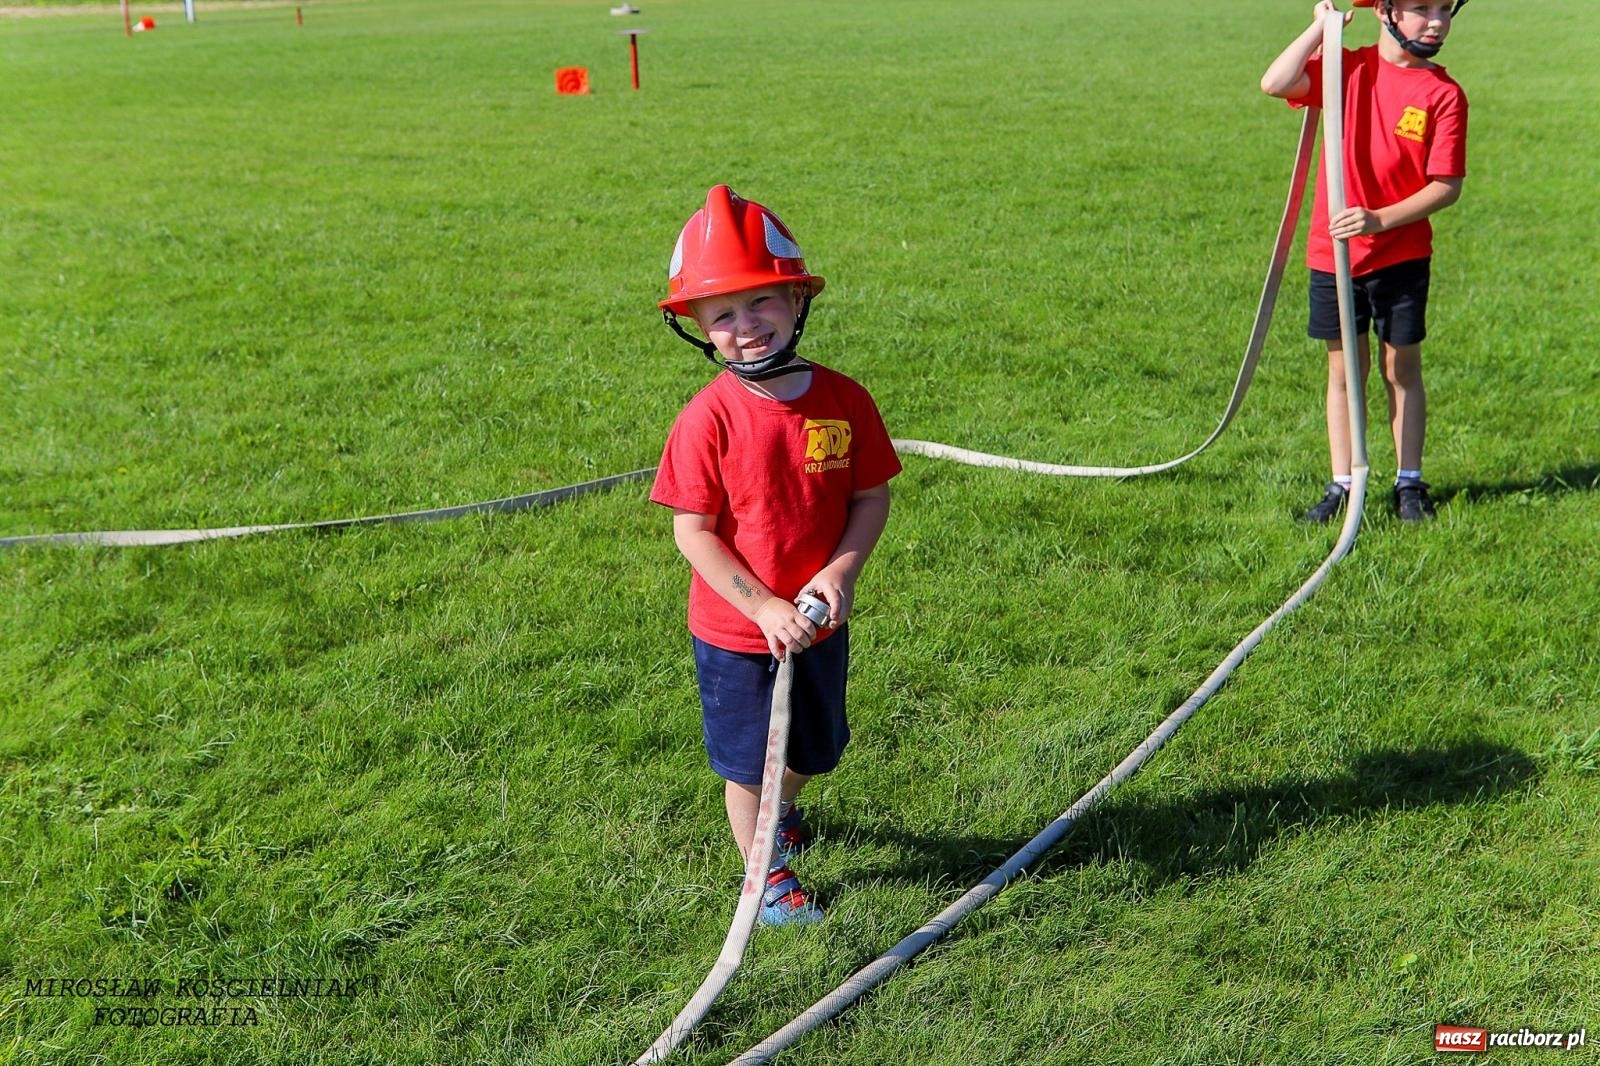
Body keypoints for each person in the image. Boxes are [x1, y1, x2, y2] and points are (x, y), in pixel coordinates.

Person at [650, 185, 901, 925]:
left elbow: (870, 497)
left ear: (797, 300)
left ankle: (779, 815)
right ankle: (763, 872)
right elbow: (692, 530)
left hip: (820, 621)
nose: (745, 325)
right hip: (738, 633)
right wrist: (760, 605)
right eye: (722, 314)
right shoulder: (707, 421)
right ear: (697, 328)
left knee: (814, 750)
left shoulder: (845, 402)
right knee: (751, 766)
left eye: (761, 302)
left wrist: (840, 571)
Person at [1261, 0, 1469, 523]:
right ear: (1385, 12)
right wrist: (1318, 31)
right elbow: (1275, 82)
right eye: (1422, 8)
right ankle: (1342, 482)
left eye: (1444, 9)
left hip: (1400, 256)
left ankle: (1409, 483)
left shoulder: (1444, 94)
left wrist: (1379, 219)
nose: (1437, 20)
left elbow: (1446, 187)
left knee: (1400, 369)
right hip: (1332, 255)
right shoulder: (1345, 69)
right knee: (1344, 372)